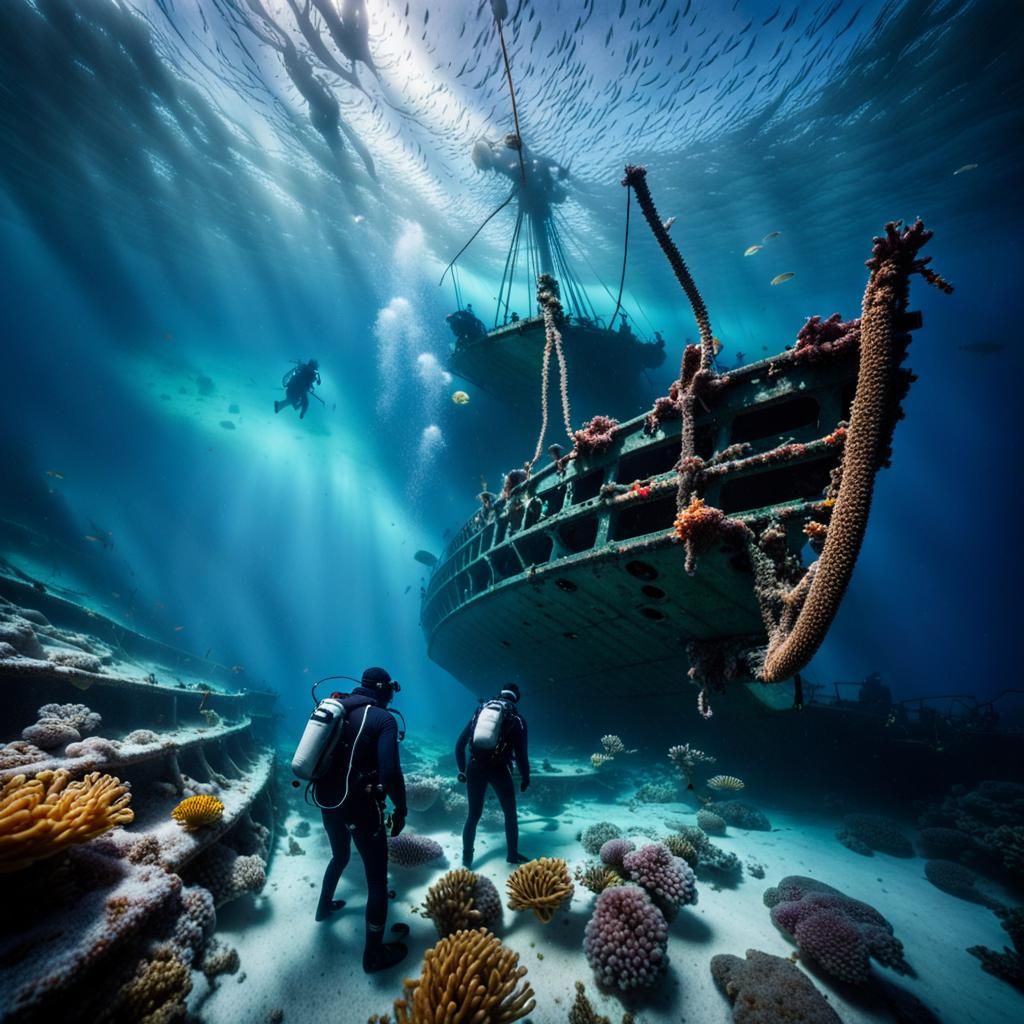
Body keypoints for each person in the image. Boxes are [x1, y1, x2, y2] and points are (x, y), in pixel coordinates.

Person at [313, 667, 409, 973]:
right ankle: (373, 956)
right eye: (392, 689)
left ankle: (324, 908)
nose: (392, 694)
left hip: (327, 799)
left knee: (340, 855)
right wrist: (401, 808)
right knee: (377, 880)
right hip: (359, 806)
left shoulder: (338, 708)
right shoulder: (383, 719)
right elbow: (390, 773)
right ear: (384, 689)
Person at [455, 682, 530, 868]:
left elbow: (459, 745)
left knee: (473, 816)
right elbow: (521, 756)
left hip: (474, 766)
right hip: (499, 769)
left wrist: (462, 770)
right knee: (510, 814)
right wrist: (525, 778)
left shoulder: (480, 710)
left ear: (500, 694)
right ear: (516, 698)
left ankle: (467, 860)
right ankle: (512, 856)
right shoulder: (517, 719)